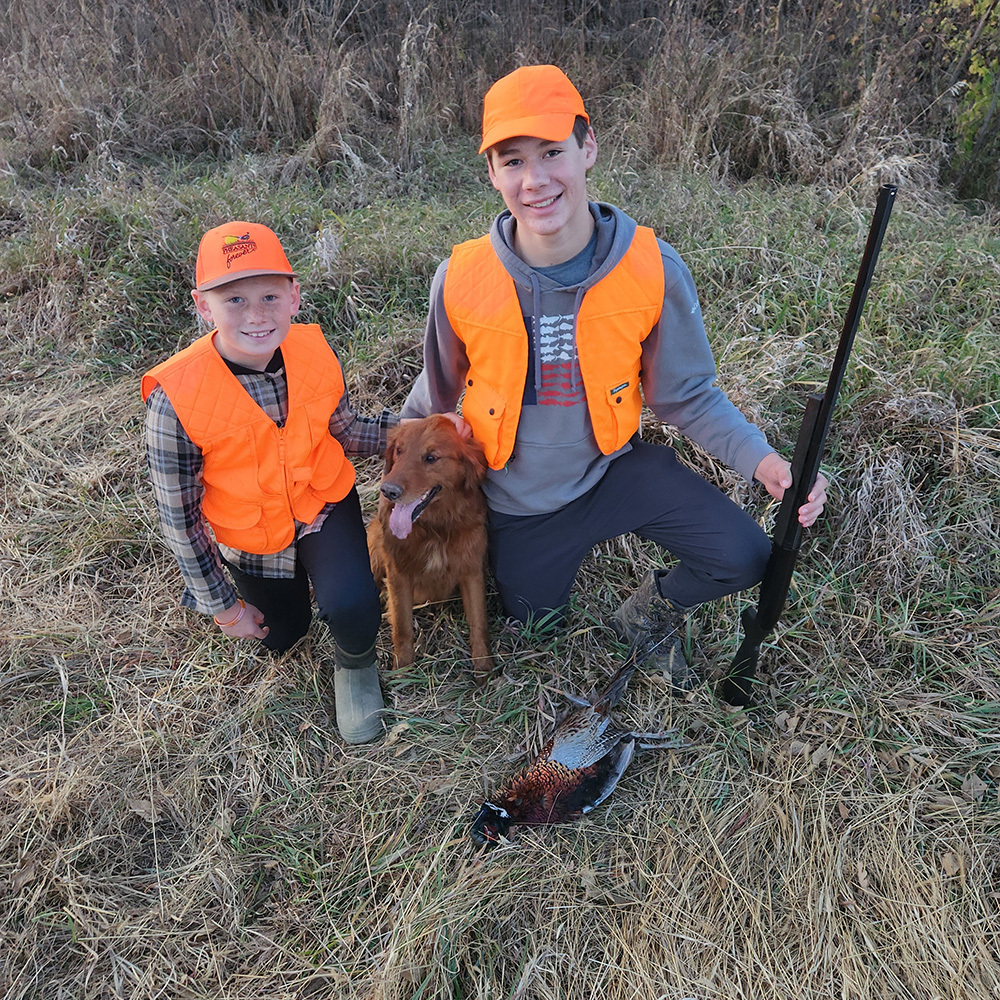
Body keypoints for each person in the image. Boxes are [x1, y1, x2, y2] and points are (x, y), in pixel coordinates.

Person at [400, 65, 828, 691]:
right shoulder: (462, 278)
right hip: (518, 507)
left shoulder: (650, 267)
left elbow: (689, 395)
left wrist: (765, 463)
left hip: (613, 475)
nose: (536, 179)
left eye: (553, 152)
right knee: (535, 625)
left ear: (589, 148)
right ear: (491, 173)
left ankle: (648, 612)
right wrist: (400, 497)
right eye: (512, 161)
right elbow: (430, 400)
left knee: (743, 556)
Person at [142, 222, 439, 743]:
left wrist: (425, 434)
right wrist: (222, 605)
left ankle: (355, 667)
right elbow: (181, 520)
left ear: (295, 296)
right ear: (203, 306)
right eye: (233, 299)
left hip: (322, 503)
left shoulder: (313, 352)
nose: (256, 315)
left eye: (270, 295)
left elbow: (345, 430)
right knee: (282, 635)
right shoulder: (176, 398)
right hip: (254, 535)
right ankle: (286, 603)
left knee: (353, 606)